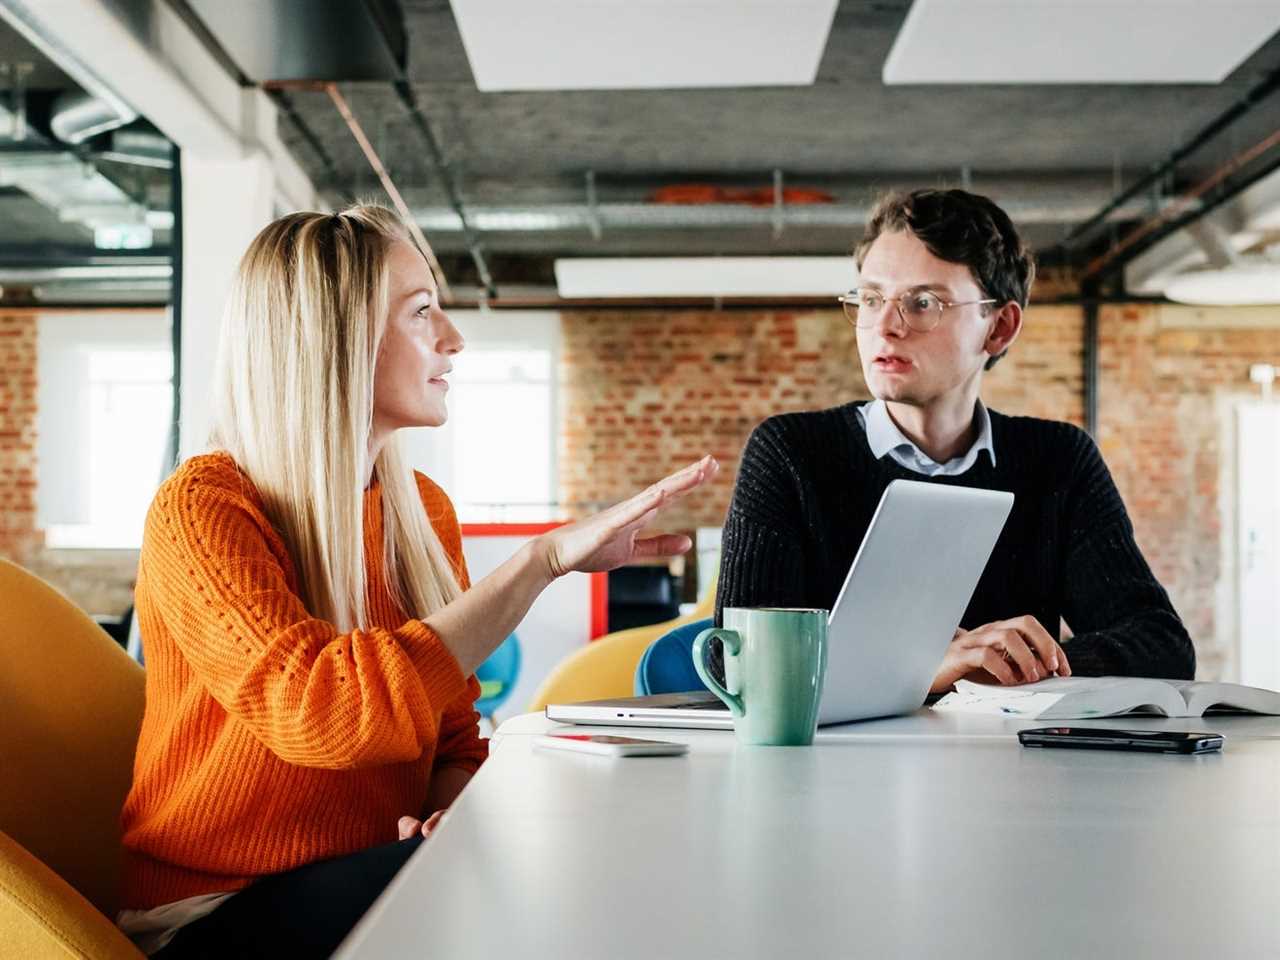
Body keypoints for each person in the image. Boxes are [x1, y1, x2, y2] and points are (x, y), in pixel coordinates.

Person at [116, 204, 717, 958]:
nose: (453, 340)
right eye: (421, 313)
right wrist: (541, 563)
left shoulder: (422, 512)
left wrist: (443, 812)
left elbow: (455, 737)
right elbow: (320, 712)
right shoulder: (202, 508)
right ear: (330, 342)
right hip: (211, 913)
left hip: (370, 876)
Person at [714, 188, 1193, 692]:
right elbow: (738, 664)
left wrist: (1012, 664)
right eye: (872, 298)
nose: (885, 325)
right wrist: (928, 670)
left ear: (999, 328)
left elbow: (1161, 645)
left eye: (922, 303)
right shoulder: (791, 451)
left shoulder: (1058, 460)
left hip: (1010, 765)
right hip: (838, 767)